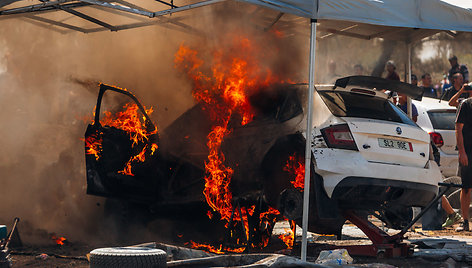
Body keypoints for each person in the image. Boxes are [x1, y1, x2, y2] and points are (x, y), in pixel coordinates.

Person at [454, 96, 472, 231]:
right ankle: (465, 221)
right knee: (466, 187)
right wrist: (462, 152)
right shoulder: (466, 104)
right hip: (468, 152)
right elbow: (458, 128)